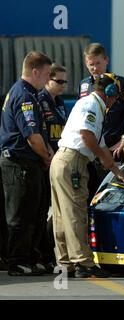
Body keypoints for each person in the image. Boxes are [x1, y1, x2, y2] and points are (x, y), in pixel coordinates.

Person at [50, 73, 124, 278]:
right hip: (74, 162)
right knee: (76, 213)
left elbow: (100, 144)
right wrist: (105, 160)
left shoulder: (88, 104)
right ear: (110, 93)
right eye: (115, 97)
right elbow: (87, 136)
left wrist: (117, 172)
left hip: (62, 160)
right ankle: (84, 263)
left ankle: (66, 261)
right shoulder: (93, 104)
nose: (114, 102)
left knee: (62, 215)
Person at [0, 51, 53, 276]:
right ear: (35, 72)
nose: (48, 80)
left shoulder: (30, 94)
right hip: (19, 163)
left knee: (35, 212)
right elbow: (33, 137)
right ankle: (17, 261)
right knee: (20, 215)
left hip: (29, 164)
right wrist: (47, 156)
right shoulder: (24, 96)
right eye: (47, 75)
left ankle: (30, 257)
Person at [79, 43, 124, 200]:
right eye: (90, 64)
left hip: (116, 148)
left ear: (106, 60)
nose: (94, 68)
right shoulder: (84, 85)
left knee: (118, 194)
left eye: (98, 63)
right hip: (93, 148)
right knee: (93, 194)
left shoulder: (120, 83)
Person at [36, 63, 69, 272]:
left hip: (58, 160)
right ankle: (40, 254)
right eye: (59, 81)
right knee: (42, 212)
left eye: (66, 81)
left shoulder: (60, 102)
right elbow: (39, 132)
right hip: (44, 161)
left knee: (54, 212)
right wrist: (47, 155)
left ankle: (47, 254)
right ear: (48, 79)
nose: (64, 85)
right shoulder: (40, 100)